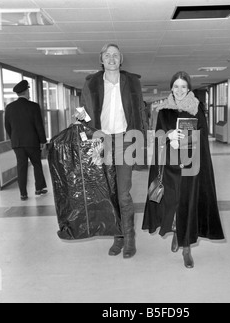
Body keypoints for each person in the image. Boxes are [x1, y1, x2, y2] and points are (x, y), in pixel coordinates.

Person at [142, 71, 224, 269]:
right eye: (176, 86)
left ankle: (186, 247)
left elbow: (203, 137)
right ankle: (177, 232)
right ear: (171, 87)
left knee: (187, 202)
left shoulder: (197, 109)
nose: (180, 90)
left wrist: (189, 140)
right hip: (169, 164)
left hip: (191, 165)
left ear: (189, 89)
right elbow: (157, 137)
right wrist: (168, 136)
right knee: (172, 201)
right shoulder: (163, 110)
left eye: (184, 87)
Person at [76, 43, 148, 259]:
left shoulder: (132, 82)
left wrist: (141, 145)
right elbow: (83, 112)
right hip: (102, 141)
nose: (111, 58)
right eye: (107, 55)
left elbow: (140, 113)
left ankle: (129, 238)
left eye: (115, 55)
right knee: (110, 193)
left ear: (121, 59)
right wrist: (81, 131)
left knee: (124, 193)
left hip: (126, 139)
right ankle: (118, 237)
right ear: (101, 59)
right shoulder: (91, 83)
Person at [4, 80, 48, 201]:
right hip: (32, 142)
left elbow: (7, 126)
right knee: (37, 164)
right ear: (27, 91)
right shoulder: (33, 106)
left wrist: (13, 137)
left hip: (17, 143)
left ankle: (23, 194)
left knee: (21, 167)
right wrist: (42, 141)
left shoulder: (9, 107)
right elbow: (39, 125)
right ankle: (39, 189)